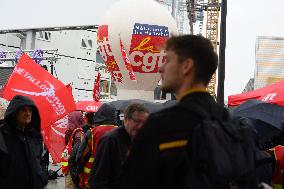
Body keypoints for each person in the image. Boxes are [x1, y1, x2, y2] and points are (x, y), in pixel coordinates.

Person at [116, 35, 226, 189]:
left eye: (167, 60)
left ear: (186, 66)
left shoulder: (161, 125)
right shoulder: (231, 124)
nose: (160, 68)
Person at [89, 103, 149, 189]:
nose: (140, 126)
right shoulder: (110, 140)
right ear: (126, 119)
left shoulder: (143, 141)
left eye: (144, 122)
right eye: (137, 121)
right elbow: (97, 180)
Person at [0, 95, 48, 189]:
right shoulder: (3, 134)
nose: (28, 113)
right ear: (14, 113)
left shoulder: (34, 136)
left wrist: (42, 178)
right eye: (23, 110)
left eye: (30, 110)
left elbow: (40, 160)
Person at [76, 103, 118, 189]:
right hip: (115, 177)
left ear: (99, 115)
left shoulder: (91, 132)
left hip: (93, 175)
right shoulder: (121, 132)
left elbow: (80, 155)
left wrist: (79, 172)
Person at [61, 111, 84, 189]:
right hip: (69, 169)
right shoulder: (76, 132)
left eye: (71, 120)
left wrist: (74, 175)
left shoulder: (78, 134)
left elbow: (75, 155)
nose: (69, 123)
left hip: (71, 170)